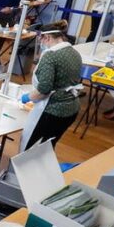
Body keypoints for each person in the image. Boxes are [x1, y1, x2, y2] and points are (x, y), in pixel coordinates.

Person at [18, 21, 83, 150]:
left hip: (53, 111)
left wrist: (27, 97)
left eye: (40, 39)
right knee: (47, 147)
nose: (41, 44)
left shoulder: (50, 56)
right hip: (71, 109)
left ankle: (27, 170)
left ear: (47, 37)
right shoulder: (74, 52)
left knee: (31, 150)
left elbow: (44, 89)